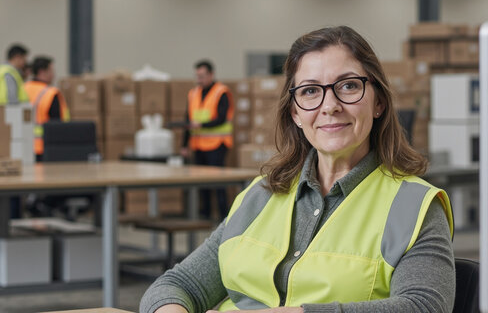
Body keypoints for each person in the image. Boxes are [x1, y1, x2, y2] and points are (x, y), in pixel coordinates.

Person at [141, 26, 455, 313]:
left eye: (347, 86)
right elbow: (179, 285)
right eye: (310, 91)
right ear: (294, 113)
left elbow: (424, 307)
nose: (329, 105)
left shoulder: (415, 207)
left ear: (378, 103)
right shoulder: (259, 195)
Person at [180, 60, 234, 220]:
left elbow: (223, 118)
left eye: (202, 76)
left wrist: (202, 124)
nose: (199, 79)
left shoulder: (221, 92)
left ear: (211, 74)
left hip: (217, 144)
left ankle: (223, 216)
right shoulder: (193, 93)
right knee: (202, 182)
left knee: (218, 182)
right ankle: (205, 215)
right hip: (198, 145)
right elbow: (188, 120)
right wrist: (184, 145)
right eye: (197, 76)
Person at [24, 56, 70, 160]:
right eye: (51, 70)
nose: (54, 75)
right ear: (42, 72)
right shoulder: (50, 93)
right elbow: (57, 124)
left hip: (24, 146)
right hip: (46, 147)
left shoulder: (23, 88)